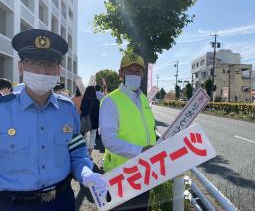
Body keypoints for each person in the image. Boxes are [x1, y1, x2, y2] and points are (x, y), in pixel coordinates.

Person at [0, 29, 107, 211]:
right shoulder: (3, 109)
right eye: (34, 63)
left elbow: (77, 150)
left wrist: (85, 171)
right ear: (21, 67)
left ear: (58, 70)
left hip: (61, 201)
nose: (42, 71)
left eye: (49, 64)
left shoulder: (67, 109)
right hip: (13, 204)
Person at [99, 53, 157, 211]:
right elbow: (108, 140)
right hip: (121, 175)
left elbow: (149, 130)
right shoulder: (110, 101)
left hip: (144, 171)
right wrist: (140, 151)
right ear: (121, 73)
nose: (134, 74)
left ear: (143, 74)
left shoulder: (143, 99)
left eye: (138, 71)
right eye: (129, 71)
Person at [80, 85, 100, 156]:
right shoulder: (97, 101)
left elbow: (81, 109)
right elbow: (98, 113)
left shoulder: (84, 100)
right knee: (92, 138)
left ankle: (85, 155)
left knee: (86, 138)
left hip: (86, 122)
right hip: (94, 122)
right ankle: (90, 155)